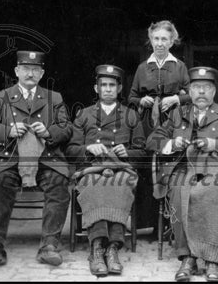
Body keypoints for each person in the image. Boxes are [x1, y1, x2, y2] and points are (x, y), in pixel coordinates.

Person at [146, 66, 218, 282]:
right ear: (190, 92)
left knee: (212, 193)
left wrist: (217, 143)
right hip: (183, 168)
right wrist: (171, 143)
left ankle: (212, 259)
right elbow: (151, 140)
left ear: (214, 92)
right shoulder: (178, 113)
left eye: (206, 88)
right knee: (179, 191)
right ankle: (187, 258)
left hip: (215, 169)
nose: (201, 92)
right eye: (196, 88)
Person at [0, 50, 72, 267]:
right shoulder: (0, 97)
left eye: (35, 70)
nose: (30, 74)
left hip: (45, 160)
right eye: (26, 69)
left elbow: (66, 129)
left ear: (42, 73)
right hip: (9, 159)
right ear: (17, 71)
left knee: (59, 183)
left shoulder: (54, 98)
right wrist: (9, 131)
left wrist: (48, 131)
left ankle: (49, 245)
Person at [66, 64, 146, 277]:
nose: (108, 89)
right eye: (104, 85)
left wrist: (127, 151)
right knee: (96, 185)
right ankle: (98, 246)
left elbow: (143, 151)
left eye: (112, 85)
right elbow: (71, 150)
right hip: (91, 170)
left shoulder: (130, 115)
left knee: (118, 185)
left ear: (119, 89)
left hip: (121, 169)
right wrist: (87, 148)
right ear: (96, 88)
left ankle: (113, 248)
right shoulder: (84, 115)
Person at [129, 20, 191, 232]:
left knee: (169, 164)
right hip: (147, 122)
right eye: (156, 39)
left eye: (164, 39)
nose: (160, 43)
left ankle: (169, 224)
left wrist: (175, 99)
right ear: (150, 40)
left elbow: (192, 95)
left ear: (172, 41)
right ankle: (148, 223)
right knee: (148, 165)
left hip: (172, 120)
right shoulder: (142, 67)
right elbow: (131, 96)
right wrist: (141, 101)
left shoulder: (179, 66)